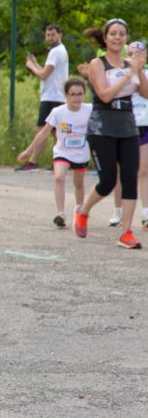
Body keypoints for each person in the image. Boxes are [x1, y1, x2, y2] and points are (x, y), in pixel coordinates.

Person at [73, 19, 148, 249]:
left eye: (122, 34)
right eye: (113, 34)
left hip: (127, 125)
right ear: (105, 38)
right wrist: (128, 74)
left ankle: (125, 233)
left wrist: (139, 70)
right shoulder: (98, 64)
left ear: (126, 39)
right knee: (107, 181)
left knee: (129, 178)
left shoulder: (131, 63)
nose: (117, 37)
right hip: (102, 126)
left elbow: (145, 93)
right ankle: (83, 211)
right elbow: (105, 95)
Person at [17, 78, 91, 227]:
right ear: (66, 96)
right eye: (73, 94)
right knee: (59, 177)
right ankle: (60, 214)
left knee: (79, 183)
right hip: (62, 152)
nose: (77, 98)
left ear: (84, 94)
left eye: (80, 94)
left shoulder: (89, 109)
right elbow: (44, 133)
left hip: (81, 153)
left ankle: (79, 211)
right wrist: (28, 151)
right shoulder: (58, 112)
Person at [16, 24, 69, 172]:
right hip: (57, 95)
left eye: (53, 34)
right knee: (54, 132)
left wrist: (31, 67)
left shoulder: (55, 52)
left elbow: (43, 75)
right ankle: (59, 161)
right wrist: (35, 64)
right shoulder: (60, 50)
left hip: (52, 96)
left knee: (42, 130)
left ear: (60, 35)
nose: (50, 37)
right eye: (47, 35)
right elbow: (47, 73)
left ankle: (33, 162)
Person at [127, 41, 148, 230]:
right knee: (124, 172)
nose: (135, 57)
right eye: (131, 54)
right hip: (127, 125)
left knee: (143, 170)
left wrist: (139, 70)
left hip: (145, 125)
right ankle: (119, 211)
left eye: (139, 54)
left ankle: (146, 212)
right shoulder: (122, 75)